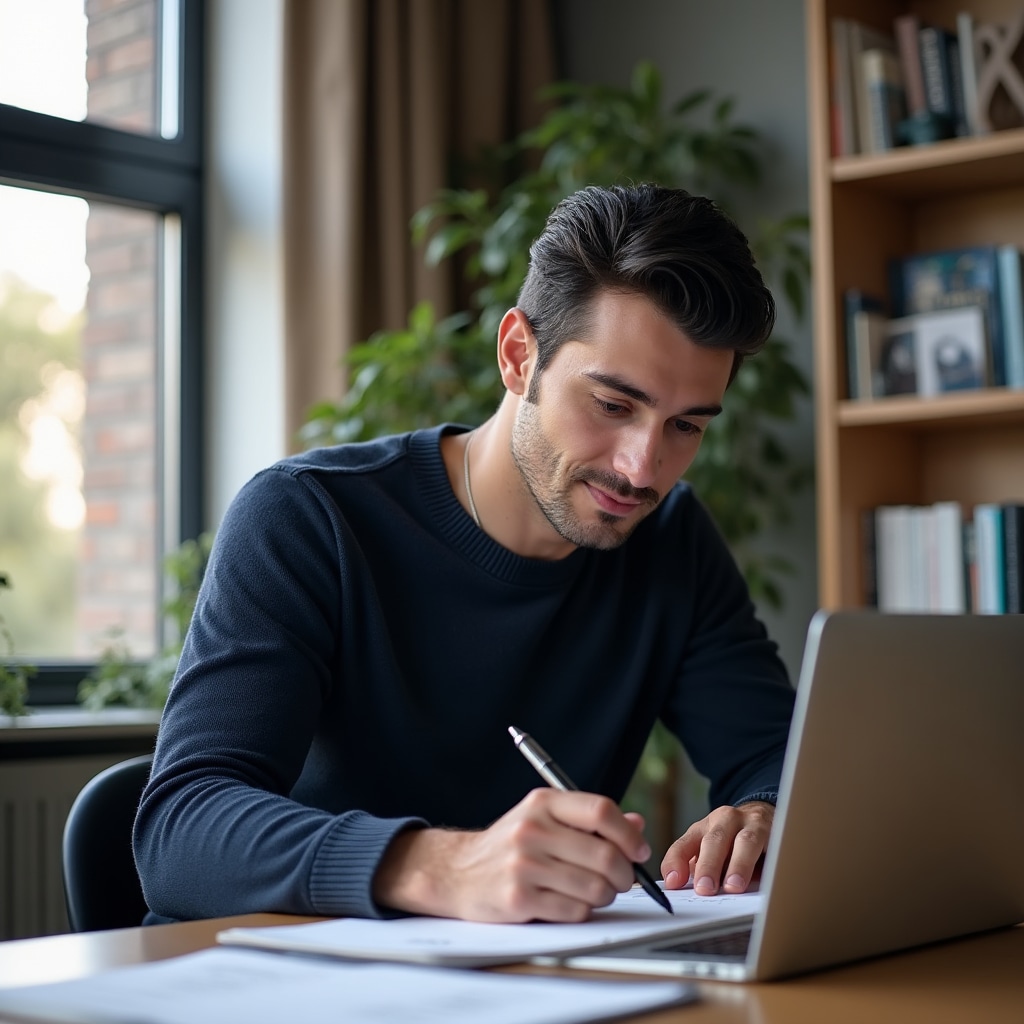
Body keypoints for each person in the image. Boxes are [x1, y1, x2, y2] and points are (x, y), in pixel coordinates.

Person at [135, 183, 796, 926]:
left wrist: (766, 811)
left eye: (686, 427)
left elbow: (777, 754)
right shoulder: (309, 518)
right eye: (613, 406)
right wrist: (441, 867)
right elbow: (180, 834)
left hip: (530, 987)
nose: (643, 468)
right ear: (519, 355)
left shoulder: (670, 540)